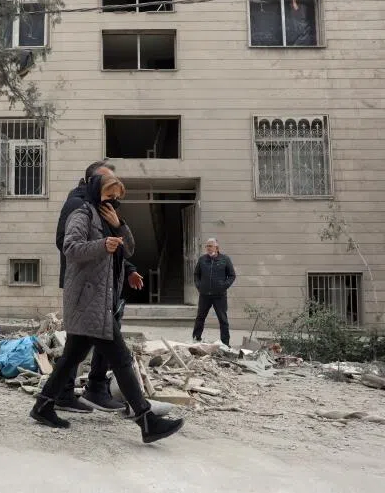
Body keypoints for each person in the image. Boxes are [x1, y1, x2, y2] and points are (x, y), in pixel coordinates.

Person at [31, 174, 184, 444]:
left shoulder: (109, 219)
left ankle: (42, 405)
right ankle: (146, 420)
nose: (113, 201)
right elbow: (71, 248)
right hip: (88, 301)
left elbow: (130, 250)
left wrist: (120, 225)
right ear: (95, 192)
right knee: (122, 358)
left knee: (71, 357)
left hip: (101, 301)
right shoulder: (82, 214)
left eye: (117, 197)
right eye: (109, 195)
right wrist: (102, 245)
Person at [54, 160, 144, 414]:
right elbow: (68, 244)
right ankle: (143, 414)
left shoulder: (105, 208)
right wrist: (102, 246)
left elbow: (119, 247)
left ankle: (57, 397)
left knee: (77, 349)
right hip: (88, 287)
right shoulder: (78, 206)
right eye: (108, 185)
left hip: (108, 286)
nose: (114, 195)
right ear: (94, 182)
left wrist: (129, 268)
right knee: (114, 353)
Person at [192, 238, 236, 347]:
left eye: (210, 246)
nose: (208, 248)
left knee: (223, 320)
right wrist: (199, 286)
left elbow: (232, 275)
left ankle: (225, 343)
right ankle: (196, 338)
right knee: (200, 317)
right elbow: (196, 274)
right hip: (204, 295)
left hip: (219, 296)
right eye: (207, 246)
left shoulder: (225, 259)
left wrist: (223, 286)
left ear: (216, 247)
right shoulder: (202, 259)